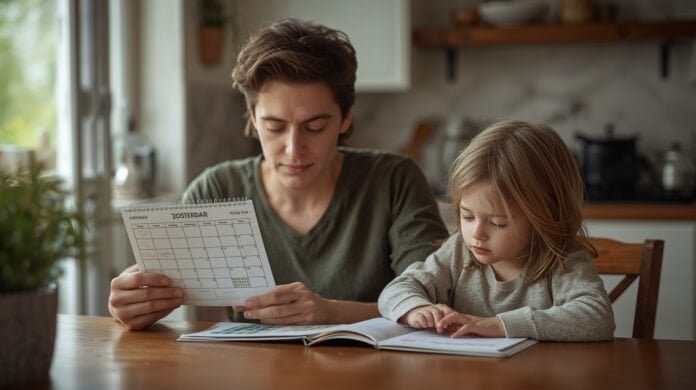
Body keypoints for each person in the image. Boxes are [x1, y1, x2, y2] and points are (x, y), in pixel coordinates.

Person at [108, 18, 448, 330]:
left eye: (314, 127)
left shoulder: (394, 181)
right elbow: (158, 287)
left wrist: (329, 313)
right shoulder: (217, 189)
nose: (293, 148)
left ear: (345, 119)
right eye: (274, 127)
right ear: (252, 119)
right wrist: (135, 302)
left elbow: (435, 302)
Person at [378, 120, 615, 341]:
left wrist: (499, 325)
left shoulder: (562, 260)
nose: (476, 233)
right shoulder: (459, 250)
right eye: (467, 216)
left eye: (498, 223)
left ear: (545, 216)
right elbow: (396, 289)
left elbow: (597, 317)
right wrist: (416, 307)